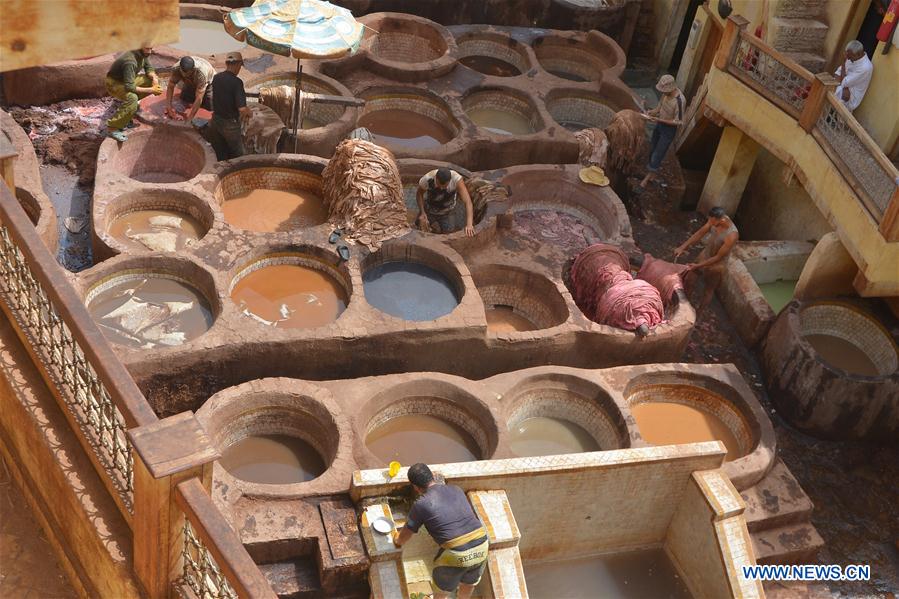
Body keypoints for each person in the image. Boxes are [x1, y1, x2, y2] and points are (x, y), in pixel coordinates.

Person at [394, 463, 489, 599]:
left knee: (441, 592)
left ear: (415, 487)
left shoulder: (421, 504)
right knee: (469, 584)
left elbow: (404, 536)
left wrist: (397, 540)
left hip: (456, 554)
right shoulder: (456, 489)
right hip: (482, 545)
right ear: (432, 476)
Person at [674, 206, 738, 311]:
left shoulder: (732, 236)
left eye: (713, 222)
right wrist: (683, 247)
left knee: (708, 290)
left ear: (721, 220)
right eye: (710, 221)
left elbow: (718, 257)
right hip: (706, 254)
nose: (710, 223)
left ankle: (699, 313)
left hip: (717, 264)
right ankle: (684, 307)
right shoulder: (713, 219)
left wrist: (698, 265)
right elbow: (700, 233)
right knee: (689, 279)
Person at [105, 45, 161, 141]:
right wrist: (152, 90)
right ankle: (113, 127)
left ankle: (129, 111)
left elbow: (149, 68)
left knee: (150, 80)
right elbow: (130, 87)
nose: (150, 52)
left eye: (151, 49)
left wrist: (154, 79)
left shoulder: (142, 54)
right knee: (132, 98)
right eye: (147, 49)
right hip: (114, 84)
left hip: (127, 80)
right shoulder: (130, 61)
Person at [639, 74, 685, 189]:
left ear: (671, 88)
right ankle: (652, 173)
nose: (663, 92)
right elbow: (659, 107)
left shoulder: (679, 100)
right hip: (659, 124)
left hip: (668, 130)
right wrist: (652, 113)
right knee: (653, 147)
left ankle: (646, 180)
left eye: (665, 91)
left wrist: (659, 119)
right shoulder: (665, 94)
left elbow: (678, 122)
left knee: (658, 153)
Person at [207, 52, 250, 161]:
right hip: (230, 124)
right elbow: (242, 109)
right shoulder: (237, 82)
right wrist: (249, 112)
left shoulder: (216, 78)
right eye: (240, 66)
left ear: (227, 63)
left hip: (216, 120)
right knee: (239, 156)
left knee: (220, 152)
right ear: (238, 64)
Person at [416, 167, 475, 236]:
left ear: (449, 181)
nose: (441, 188)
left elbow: (468, 202)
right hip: (430, 208)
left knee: (449, 233)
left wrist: (469, 224)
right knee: (420, 225)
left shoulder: (456, 179)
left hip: (448, 211)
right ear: (436, 178)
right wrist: (422, 212)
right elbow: (419, 194)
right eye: (439, 185)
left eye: (444, 186)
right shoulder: (427, 178)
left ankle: (437, 227)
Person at [165, 55, 216, 122]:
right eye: (183, 73)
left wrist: (190, 119)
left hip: (209, 81)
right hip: (189, 82)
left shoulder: (201, 73)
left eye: (188, 73)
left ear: (193, 69)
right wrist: (169, 108)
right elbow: (171, 85)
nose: (185, 75)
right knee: (184, 99)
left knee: (210, 106)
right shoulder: (176, 68)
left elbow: (199, 98)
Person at [834, 40, 873, 112]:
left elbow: (845, 82)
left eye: (850, 57)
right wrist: (840, 83)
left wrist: (843, 63)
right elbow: (838, 72)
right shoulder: (850, 56)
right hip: (843, 87)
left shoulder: (866, 67)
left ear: (858, 54)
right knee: (830, 86)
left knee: (834, 91)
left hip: (851, 96)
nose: (848, 59)